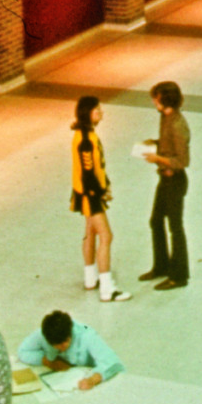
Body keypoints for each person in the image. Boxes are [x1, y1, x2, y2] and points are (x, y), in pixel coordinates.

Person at [70, 95, 128, 302]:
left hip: (86, 194)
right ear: (88, 113)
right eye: (97, 110)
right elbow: (88, 173)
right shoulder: (87, 139)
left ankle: (90, 277)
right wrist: (101, 192)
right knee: (106, 236)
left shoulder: (84, 135)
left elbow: (96, 166)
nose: (101, 113)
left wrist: (106, 184)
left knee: (90, 233)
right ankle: (107, 287)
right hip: (91, 196)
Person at [138, 80, 191, 290]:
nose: (154, 101)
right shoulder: (165, 117)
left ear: (165, 99)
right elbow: (168, 146)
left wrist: (157, 159)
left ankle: (179, 276)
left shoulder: (178, 125)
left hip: (174, 181)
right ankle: (162, 265)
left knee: (175, 228)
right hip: (165, 179)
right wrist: (156, 144)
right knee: (156, 220)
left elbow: (182, 161)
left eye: (156, 97)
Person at [17, 310, 124, 389]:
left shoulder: (86, 335)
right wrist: (47, 361)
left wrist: (93, 379)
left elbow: (113, 362)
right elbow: (23, 351)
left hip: (94, 380)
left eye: (65, 343)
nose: (61, 348)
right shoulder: (44, 334)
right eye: (56, 346)